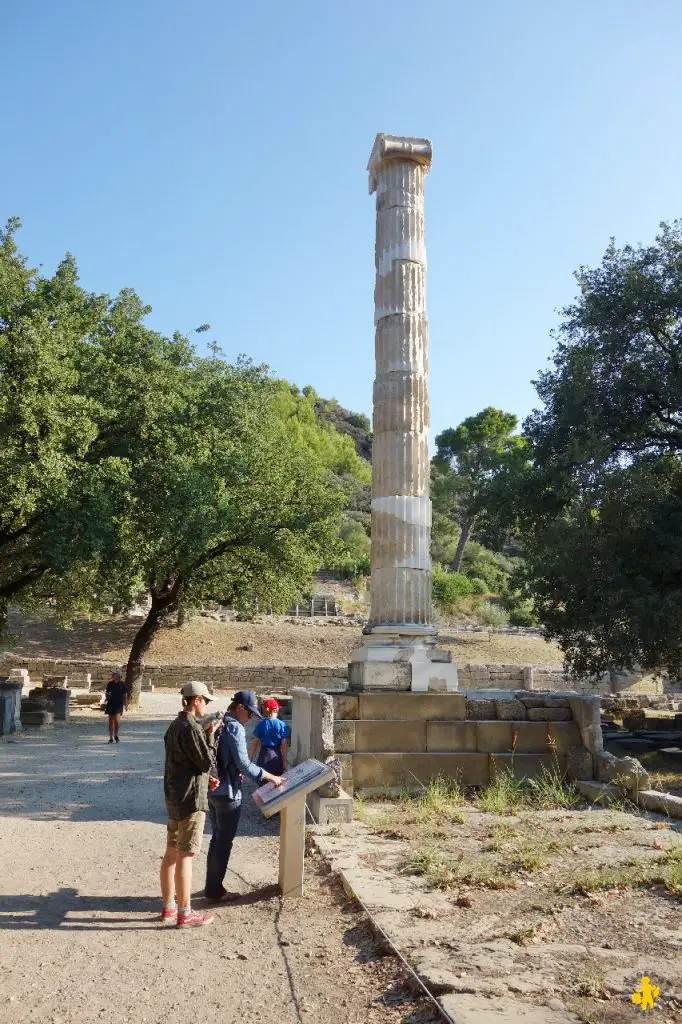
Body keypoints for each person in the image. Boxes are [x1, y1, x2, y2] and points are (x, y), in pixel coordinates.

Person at [204, 689, 283, 903]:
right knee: (224, 842)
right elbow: (243, 764)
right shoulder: (235, 727)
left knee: (216, 838)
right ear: (240, 708)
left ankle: (212, 886)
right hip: (228, 791)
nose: (249, 719)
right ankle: (216, 891)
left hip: (212, 787)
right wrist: (270, 777)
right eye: (249, 713)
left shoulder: (219, 720)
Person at [160, 680, 219, 928]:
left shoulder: (174, 726)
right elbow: (206, 761)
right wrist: (211, 736)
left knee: (172, 852)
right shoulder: (192, 728)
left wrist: (206, 780)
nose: (205, 705)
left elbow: (186, 764)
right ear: (196, 700)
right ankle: (185, 912)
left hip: (175, 796)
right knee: (187, 854)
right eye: (205, 700)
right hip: (191, 801)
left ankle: (169, 907)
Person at [249, 697, 289, 778]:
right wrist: (284, 763)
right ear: (277, 710)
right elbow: (284, 746)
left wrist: (249, 760)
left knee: (263, 780)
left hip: (264, 756)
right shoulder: (282, 725)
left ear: (265, 710)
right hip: (276, 757)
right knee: (276, 781)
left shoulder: (261, 724)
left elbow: (254, 743)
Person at [104, 670, 128, 743]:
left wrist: (126, 704)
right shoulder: (110, 684)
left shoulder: (122, 684)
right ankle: (111, 737)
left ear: (119, 676)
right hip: (111, 704)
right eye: (113, 675)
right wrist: (106, 697)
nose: (114, 676)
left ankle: (116, 735)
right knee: (111, 722)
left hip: (119, 705)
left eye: (115, 675)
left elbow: (125, 695)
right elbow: (107, 693)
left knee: (117, 722)